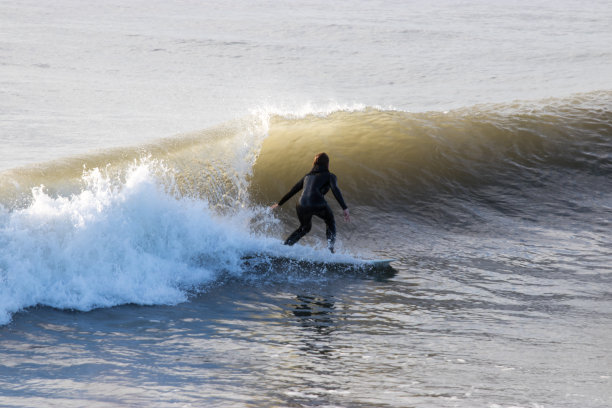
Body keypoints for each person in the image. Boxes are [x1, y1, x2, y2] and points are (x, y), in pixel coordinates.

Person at [271, 152, 350, 253]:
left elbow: (293, 190)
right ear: (327, 164)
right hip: (317, 202)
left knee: (305, 227)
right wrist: (344, 207)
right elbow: (335, 189)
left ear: (314, 164)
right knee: (330, 221)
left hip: (301, 204)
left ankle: (285, 247)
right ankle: (330, 251)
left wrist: (279, 204)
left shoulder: (307, 177)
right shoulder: (330, 176)